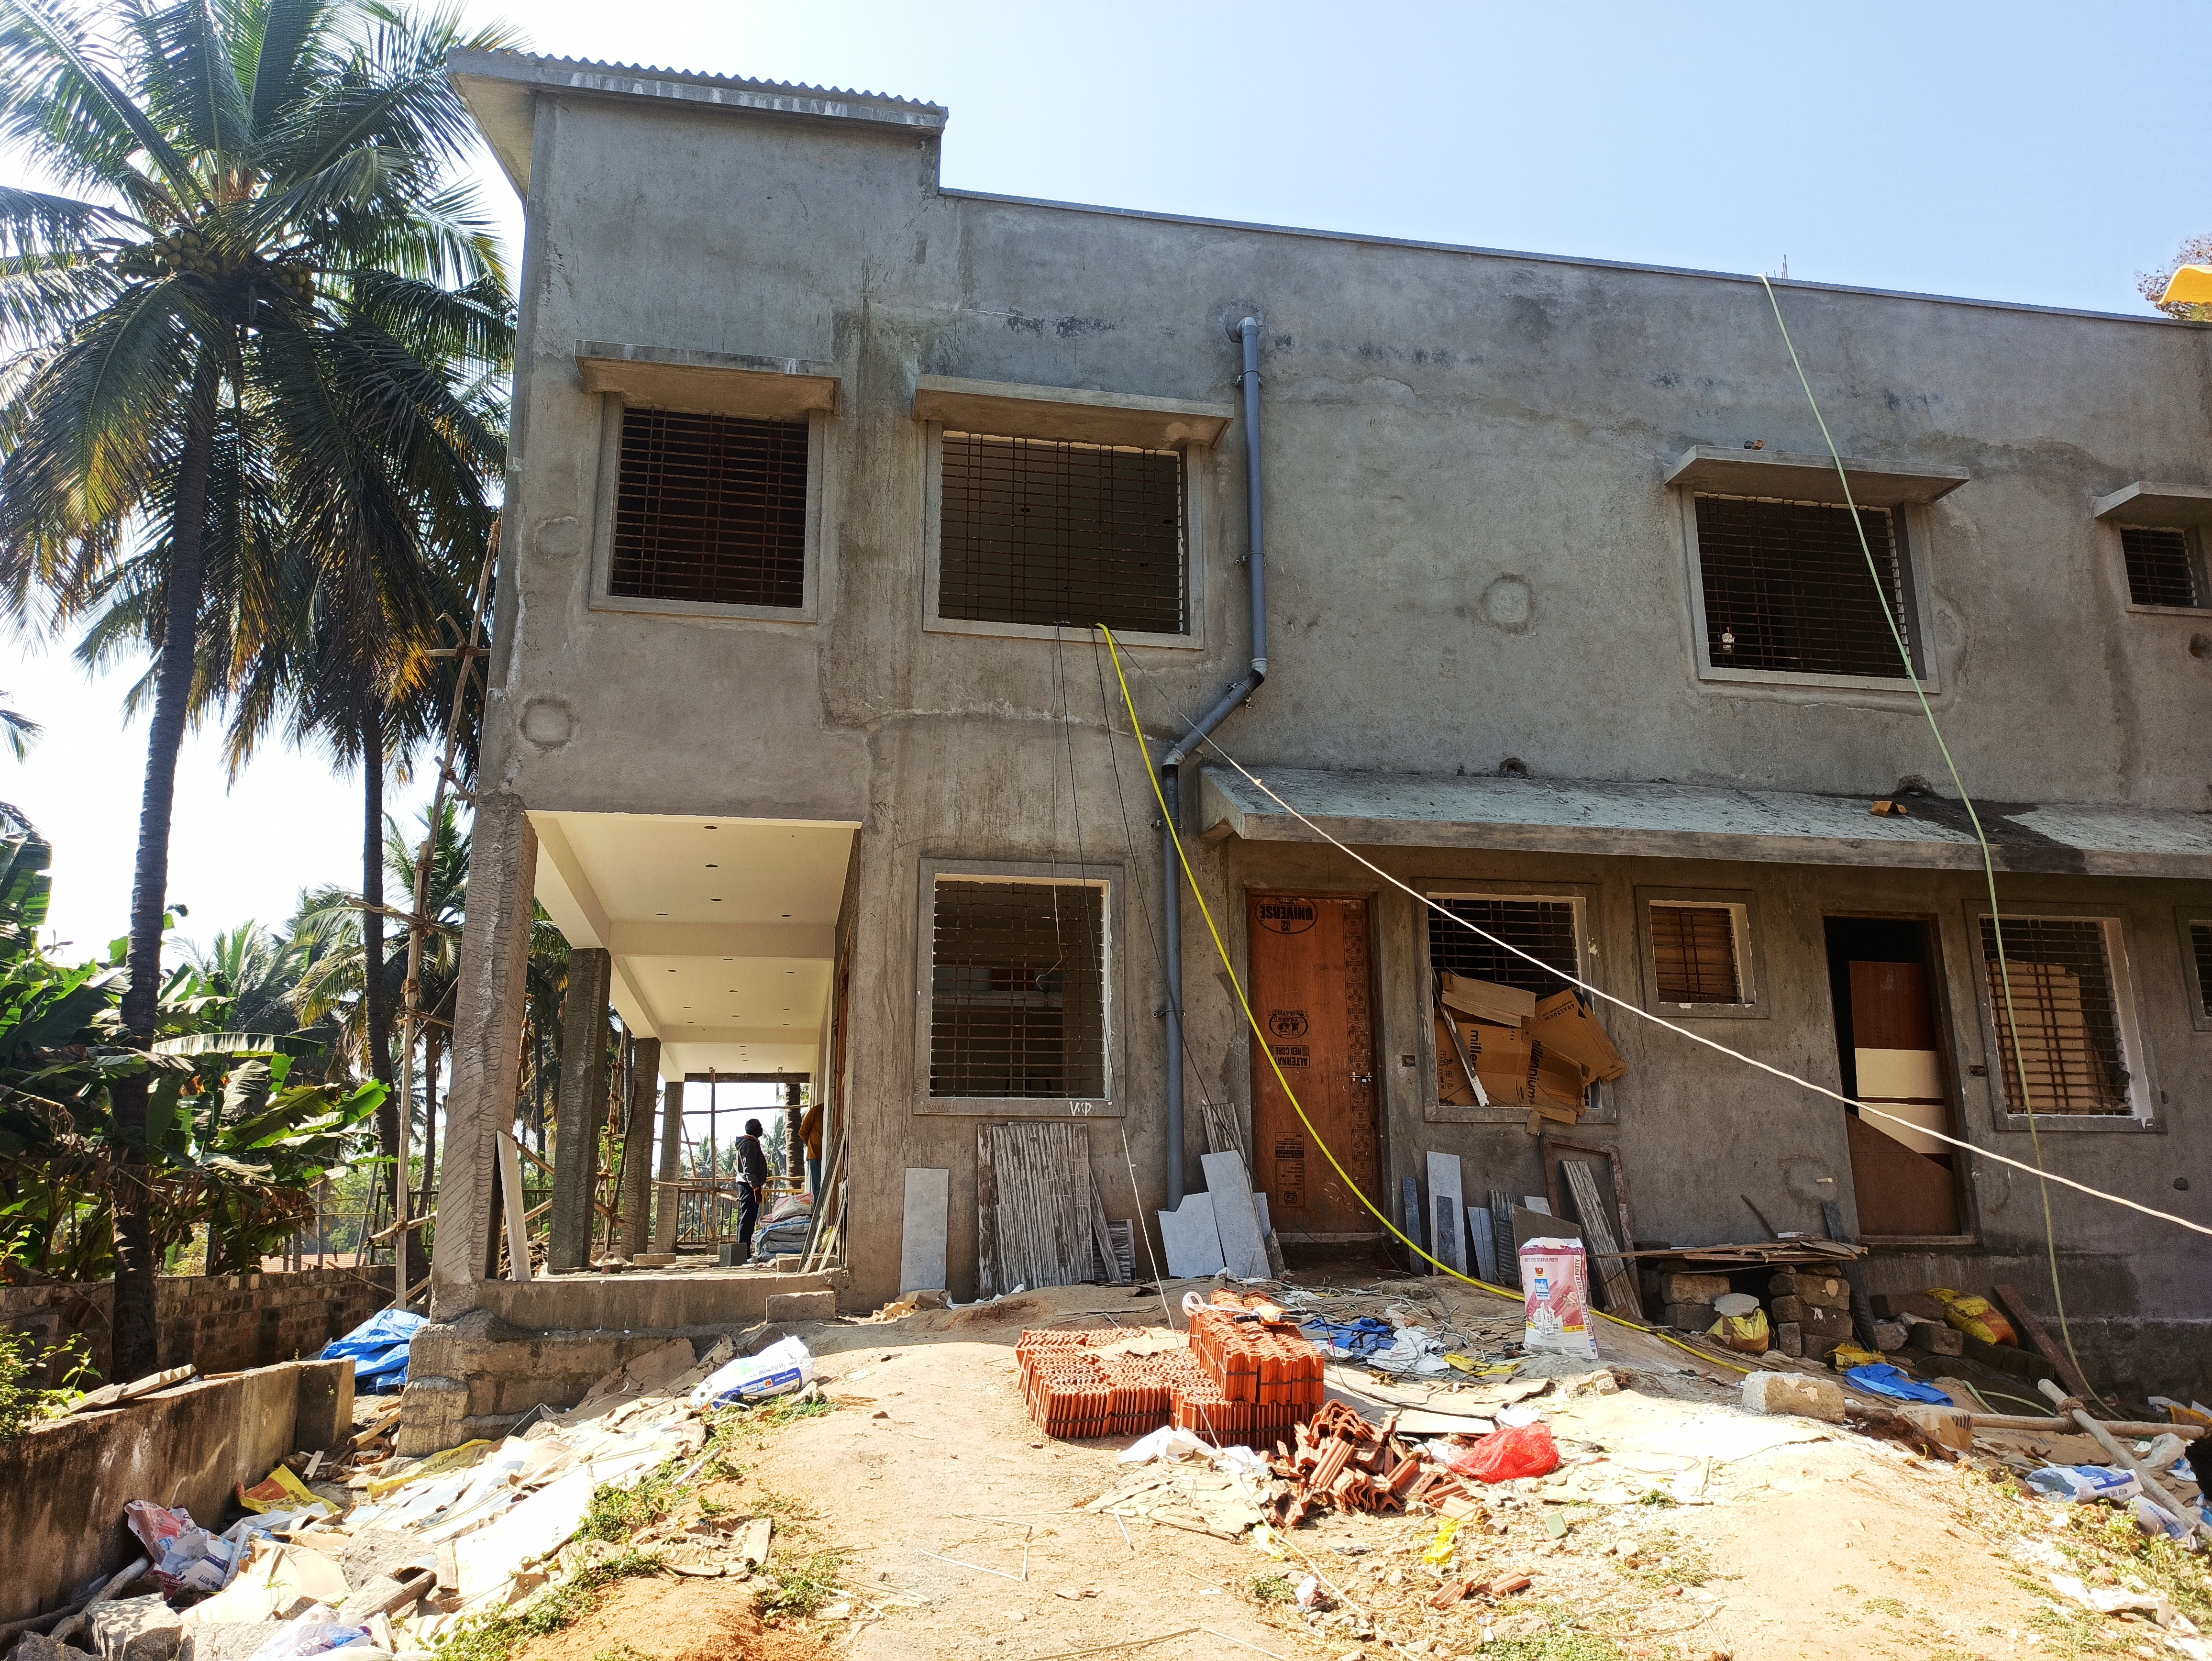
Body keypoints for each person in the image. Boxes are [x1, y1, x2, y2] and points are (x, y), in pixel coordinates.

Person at [734, 1118, 769, 1256]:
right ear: (754, 1129)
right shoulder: (750, 1145)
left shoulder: (751, 1144)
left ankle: (745, 1250)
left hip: (749, 1185)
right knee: (747, 1218)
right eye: (760, 1126)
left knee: (749, 1218)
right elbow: (749, 1169)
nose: (762, 1128)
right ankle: (743, 1251)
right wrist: (756, 1188)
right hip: (748, 1186)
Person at [799, 1099, 823, 1203]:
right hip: (816, 1156)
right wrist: (811, 1145)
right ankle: (817, 1216)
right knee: (818, 1188)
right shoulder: (817, 1111)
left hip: (828, 1155)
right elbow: (803, 1132)